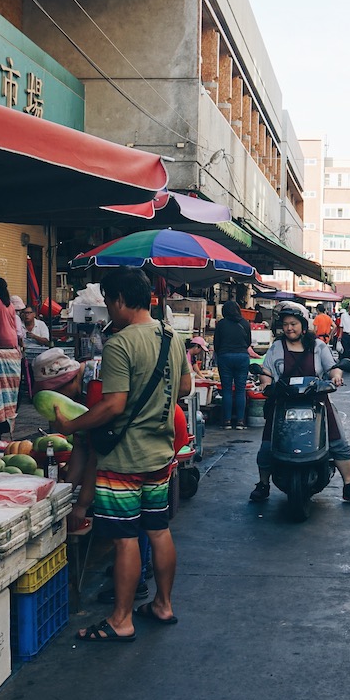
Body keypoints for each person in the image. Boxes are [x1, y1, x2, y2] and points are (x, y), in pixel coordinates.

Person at [54, 268, 190, 641]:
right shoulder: (171, 336)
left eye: (109, 303)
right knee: (158, 530)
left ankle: (121, 620)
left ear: (118, 300)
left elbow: (113, 405)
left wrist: (71, 425)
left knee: (125, 538)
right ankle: (163, 604)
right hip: (159, 454)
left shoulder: (120, 343)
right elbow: (185, 387)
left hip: (124, 460)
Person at [250, 301, 350, 504]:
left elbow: (332, 367)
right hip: (283, 403)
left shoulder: (318, 346)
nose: (289, 328)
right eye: (286, 324)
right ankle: (263, 484)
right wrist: (265, 382)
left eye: (293, 324)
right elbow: (266, 371)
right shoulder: (277, 347)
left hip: (317, 402)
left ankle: (349, 485)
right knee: (267, 446)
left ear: (303, 326)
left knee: (339, 444)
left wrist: (336, 377)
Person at [214, 300, 253, 431]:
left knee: (227, 390)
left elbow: (216, 343)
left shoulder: (221, 324)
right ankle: (240, 421)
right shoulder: (245, 323)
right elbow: (248, 342)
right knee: (240, 390)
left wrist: (221, 353)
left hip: (225, 357)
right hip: (242, 357)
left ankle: (227, 421)